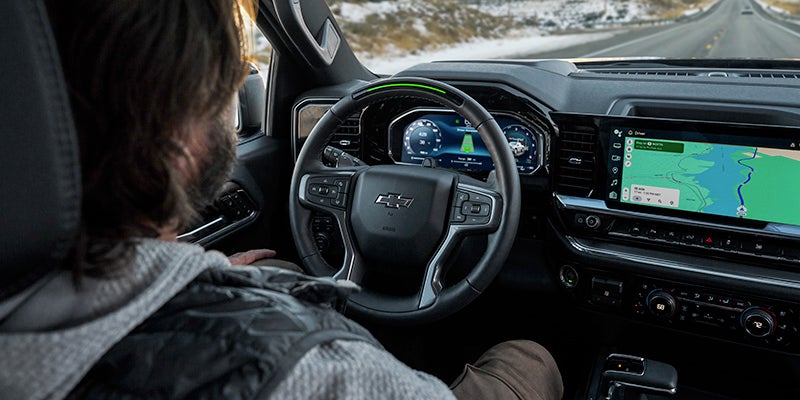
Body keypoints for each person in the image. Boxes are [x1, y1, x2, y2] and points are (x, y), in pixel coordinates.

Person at [0, 0, 563, 399]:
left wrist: (208, 280)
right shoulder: (312, 377)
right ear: (180, 138)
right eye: (227, 81)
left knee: (283, 270)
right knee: (532, 357)